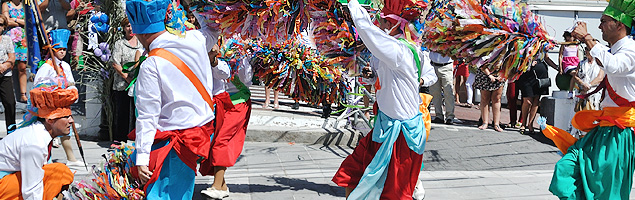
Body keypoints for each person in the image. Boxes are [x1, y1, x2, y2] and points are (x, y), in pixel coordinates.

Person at [332, 0, 432, 198]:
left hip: (401, 137)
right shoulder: (395, 50)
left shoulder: (400, 50)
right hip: (384, 127)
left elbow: (368, 32)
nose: (381, 25)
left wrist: (352, 3)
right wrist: (372, 76)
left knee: (394, 193)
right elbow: (384, 77)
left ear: (395, 24)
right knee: (352, 173)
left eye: (384, 21)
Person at [125, 0, 219, 198]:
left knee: (163, 194)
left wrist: (142, 157)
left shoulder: (152, 64)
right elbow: (214, 28)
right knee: (183, 191)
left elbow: (148, 115)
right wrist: (193, 5)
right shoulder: (194, 39)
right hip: (199, 135)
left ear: (140, 34)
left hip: (170, 143)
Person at [548, 0, 635, 196]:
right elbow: (603, 58)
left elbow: (613, 66)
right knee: (568, 166)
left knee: (607, 188)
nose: (599, 26)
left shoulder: (631, 49)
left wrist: (587, 37)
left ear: (620, 25)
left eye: (603, 21)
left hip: (620, 133)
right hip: (604, 128)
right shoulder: (613, 49)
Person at [0, 77, 76, 200]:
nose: (71, 121)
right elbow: (31, 189)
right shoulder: (34, 143)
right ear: (50, 120)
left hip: (7, 180)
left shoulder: (41, 135)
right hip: (2, 185)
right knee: (58, 174)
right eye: (66, 117)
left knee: (60, 172)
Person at [201, 46, 253, 199]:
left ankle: (217, 186)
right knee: (212, 142)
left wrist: (217, 61)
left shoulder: (241, 46)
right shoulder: (205, 40)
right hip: (217, 101)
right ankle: (222, 186)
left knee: (222, 141)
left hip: (237, 101)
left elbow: (245, 78)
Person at [33, 29, 84, 168]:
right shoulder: (46, 67)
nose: (62, 52)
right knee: (49, 132)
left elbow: (71, 83)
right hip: (50, 105)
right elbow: (38, 86)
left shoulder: (65, 66)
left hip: (63, 103)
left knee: (66, 130)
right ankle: (45, 158)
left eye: (64, 49)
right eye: (59, 49)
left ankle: (71, 158)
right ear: (52, 49)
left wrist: (71, 91)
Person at [109, 17, 141, 141]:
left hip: (137, 84)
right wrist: (127, 79)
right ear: (123, 28)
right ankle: (119, 140)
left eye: (132, 25)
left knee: (136, 113)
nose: (130, 28)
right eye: (127, 26)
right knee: (122, 113)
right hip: (122, 84)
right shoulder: (119, 43)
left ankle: (134, 139)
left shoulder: (141, 42)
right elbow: (115, 63)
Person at [517, 57, 554, 134]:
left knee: (536, 100)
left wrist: (557, 67)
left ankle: (530, 124)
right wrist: (529, 64)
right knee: (527, 101)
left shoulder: (543, 46)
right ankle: (523, 123)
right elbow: (519, 58)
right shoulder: (526, 45)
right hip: (527, 74)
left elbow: (546, 58)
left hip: (540, 75)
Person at [2, 0, 26, 103]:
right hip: (10, 38)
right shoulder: (5, 4)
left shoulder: (26, 4)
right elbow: (6, 21)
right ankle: (8, 93)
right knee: (10, 65)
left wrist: (15, 19)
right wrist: (21, 22)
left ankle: (23, 94)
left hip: (23, 39)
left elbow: (28, 21)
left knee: (22, 67)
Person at [429, 52, 461, 125]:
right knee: (435, 92)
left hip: (446, 66)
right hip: (433, 65)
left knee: (448, 92)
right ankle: (439, 115)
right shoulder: (431, 40)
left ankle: (450, 116)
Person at [474, 65, 506, 132]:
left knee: (497, 99)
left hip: (499, 74)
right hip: (484, 74)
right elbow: (481, 63)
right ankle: (485, 122)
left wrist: (503, 74)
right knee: (485, 98)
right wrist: (489, 75)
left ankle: (496, 123)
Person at [573, 46, 604, 111]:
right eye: (586, 49)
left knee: (594, 115)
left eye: (588, 49)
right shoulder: (581, 63)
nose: (586, 51)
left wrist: (589, 85)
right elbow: (575, 76)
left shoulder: (600, 63)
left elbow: (600, 77)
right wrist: (582, 84)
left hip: (594, 92)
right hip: (581, 92)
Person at [0, 16, 16, 132]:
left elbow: (12, 57)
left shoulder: (7, 39)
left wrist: (5, 65)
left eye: (0, 25)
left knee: (10, 103)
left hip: (5, 74)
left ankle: (11, 131)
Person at [558, 29, 581, 94]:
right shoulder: (564, 45)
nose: (568, 38)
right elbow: (560, 56)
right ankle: (571, 91)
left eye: (569, 37)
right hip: (567, 63)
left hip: (575, 63)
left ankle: (577, 89)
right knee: (574, 74)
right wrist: (560, 68)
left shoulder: (577, 45)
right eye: (566, 37)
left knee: (578, 74)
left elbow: (577, 56)